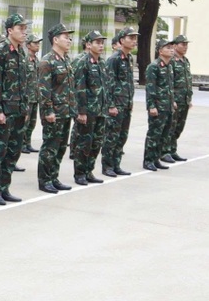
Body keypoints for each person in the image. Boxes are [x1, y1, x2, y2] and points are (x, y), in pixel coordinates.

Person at [0, 14, 30, 205]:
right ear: (10, 30)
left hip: (18, 110)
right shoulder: (0, 52)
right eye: (20, 28)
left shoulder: (22, 52)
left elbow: (24, 83)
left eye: (24, 28)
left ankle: (4, 187)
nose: (24, 32)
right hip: (3, 111)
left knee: (13, 152)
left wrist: (25, 108)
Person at [37, 24, 77, 193]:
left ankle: (54, 176)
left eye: (69, 37)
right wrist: (48, 111)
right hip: (54, 113)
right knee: (50, 147)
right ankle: (45, 180)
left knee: (60, 147)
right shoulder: (47, 61)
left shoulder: (66, 60)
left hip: (66, 111)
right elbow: (44, 89)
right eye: (65, 36)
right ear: (55, 39)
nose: (68, 40)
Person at [69, 31, 113, 185]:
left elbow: (104, 87)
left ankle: (89, 170)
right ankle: (80, 173)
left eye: (102, 42)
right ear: (88, 44)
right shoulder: (81, 61)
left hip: (100, 110)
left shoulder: (101, 62)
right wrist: (81, 111)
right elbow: (78, 88)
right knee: (84, 143)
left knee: (96, 143)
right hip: (87, 111)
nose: (101, 45)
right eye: (97, 42)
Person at [102, 27, 138, 177]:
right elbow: (108, 84)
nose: (134, 41)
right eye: (131, 38)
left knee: (122, 136)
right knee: (111, 137)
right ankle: (107, 166)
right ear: (122, 40)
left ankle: (116, 164)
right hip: (116, 105)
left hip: (126, 104)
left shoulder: (129, 58)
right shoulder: (114, 59)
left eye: (135, 38)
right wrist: (111, 105)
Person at [142, 39, 176, 172]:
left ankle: (156, 159)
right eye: (168, 47)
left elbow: (169, 87)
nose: (171, 49)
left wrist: (172, 101)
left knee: (163, 135)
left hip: (167, 106)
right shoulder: (154, 66)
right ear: (160, 51)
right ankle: (148, 160)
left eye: (172, 47)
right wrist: (151, 106)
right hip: (157, 107)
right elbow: (150, 88)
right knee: (154, 134)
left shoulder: (169, 66)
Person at [163, 35, 192, 163]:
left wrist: (189, 98)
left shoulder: (185, 61)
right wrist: (172, 99)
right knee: (171, 126)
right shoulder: (172, 62)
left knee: (179, 127)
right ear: (175, 46)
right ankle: (165, 151)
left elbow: (187, 81)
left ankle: (173, 150)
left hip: (184, 100)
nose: (185, 47)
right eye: (182, 44)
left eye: (186, 44)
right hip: (175, 100)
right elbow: (169, 82)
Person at [22, 33, 43, 153]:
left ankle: (28, 143)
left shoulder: (36, 60)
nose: (38, 45)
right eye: (35, 43)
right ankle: (21, 144)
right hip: (27, 97)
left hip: (35, 96)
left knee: (32, 123)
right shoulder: (24, 60)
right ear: (28, 45)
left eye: (38, 43)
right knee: (24, 122)